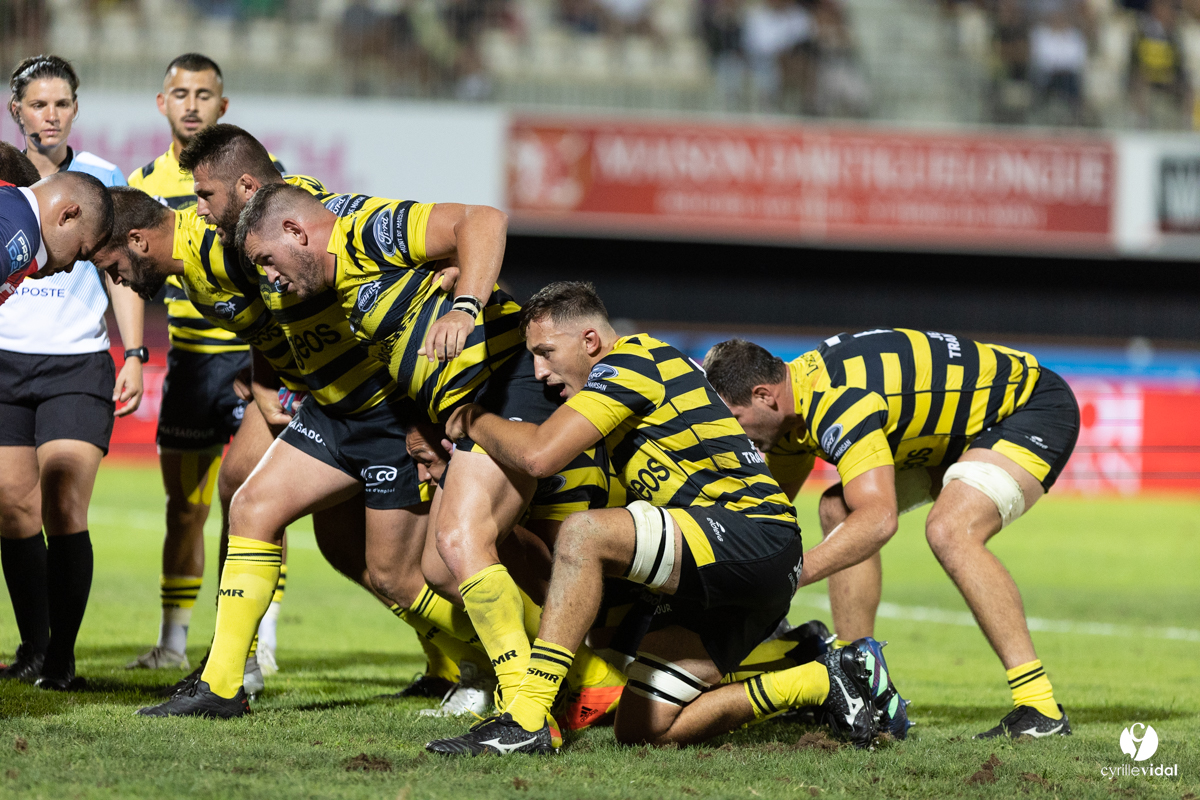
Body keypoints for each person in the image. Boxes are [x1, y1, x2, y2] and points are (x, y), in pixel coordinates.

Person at [424, 282, 895, 754]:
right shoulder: (621, 392)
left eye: (546, 352)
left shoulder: (631, 362)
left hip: (747, 532)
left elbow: (540, 456)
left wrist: (471, 420)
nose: (540, 371)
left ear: (590, 342)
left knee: (585, 535)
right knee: (643, 729)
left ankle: (526, 716)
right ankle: (823, 678)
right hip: (736, 558)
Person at [236, 184, 633, 729]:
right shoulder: (343, 291)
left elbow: (484, 219)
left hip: (503, 383)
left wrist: (467, 304)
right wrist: (420, 427)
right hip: (463, 408)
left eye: (266, 261)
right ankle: (589, 677)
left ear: (296, 232)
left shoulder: (365, 230)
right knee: (440, 567)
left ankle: (527, 708)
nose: (269, 277)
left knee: (458, 541)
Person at [702, 330, 1080, 739]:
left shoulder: (837, 399)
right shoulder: (790, 412)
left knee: (950, 530)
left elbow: (880, 519)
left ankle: (1040, 708)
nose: (735, 434)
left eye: (735, 419)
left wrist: (789, 575)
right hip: (956, 432)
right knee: (838, 508)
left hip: (1029, 408)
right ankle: (854, 684)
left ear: (764, 396)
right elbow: (767, 515)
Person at [125, 53, 288, 675]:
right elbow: (130, 281)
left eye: (204, 94)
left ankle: (261, 640)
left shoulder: (260, 181)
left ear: (224, 107)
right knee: (184, 507)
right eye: (180, 92)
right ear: (161, 103)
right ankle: (173, 640)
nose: (191, 103)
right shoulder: (144, 187)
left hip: (255, 361)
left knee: (261, 502)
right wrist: (139, 354)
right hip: (192, 364)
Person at [0, 54, 139, 691]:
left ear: (75, 110)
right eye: (38, 104)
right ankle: (33, 647)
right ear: (17, 111)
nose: (50, 115)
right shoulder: (3, 177)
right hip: (5, 364)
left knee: (63, 500)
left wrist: (133, 353)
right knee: (10, 506)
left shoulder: (104, 179)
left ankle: (62, 660)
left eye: (61, 104)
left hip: (76, 362)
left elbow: (123, 271)